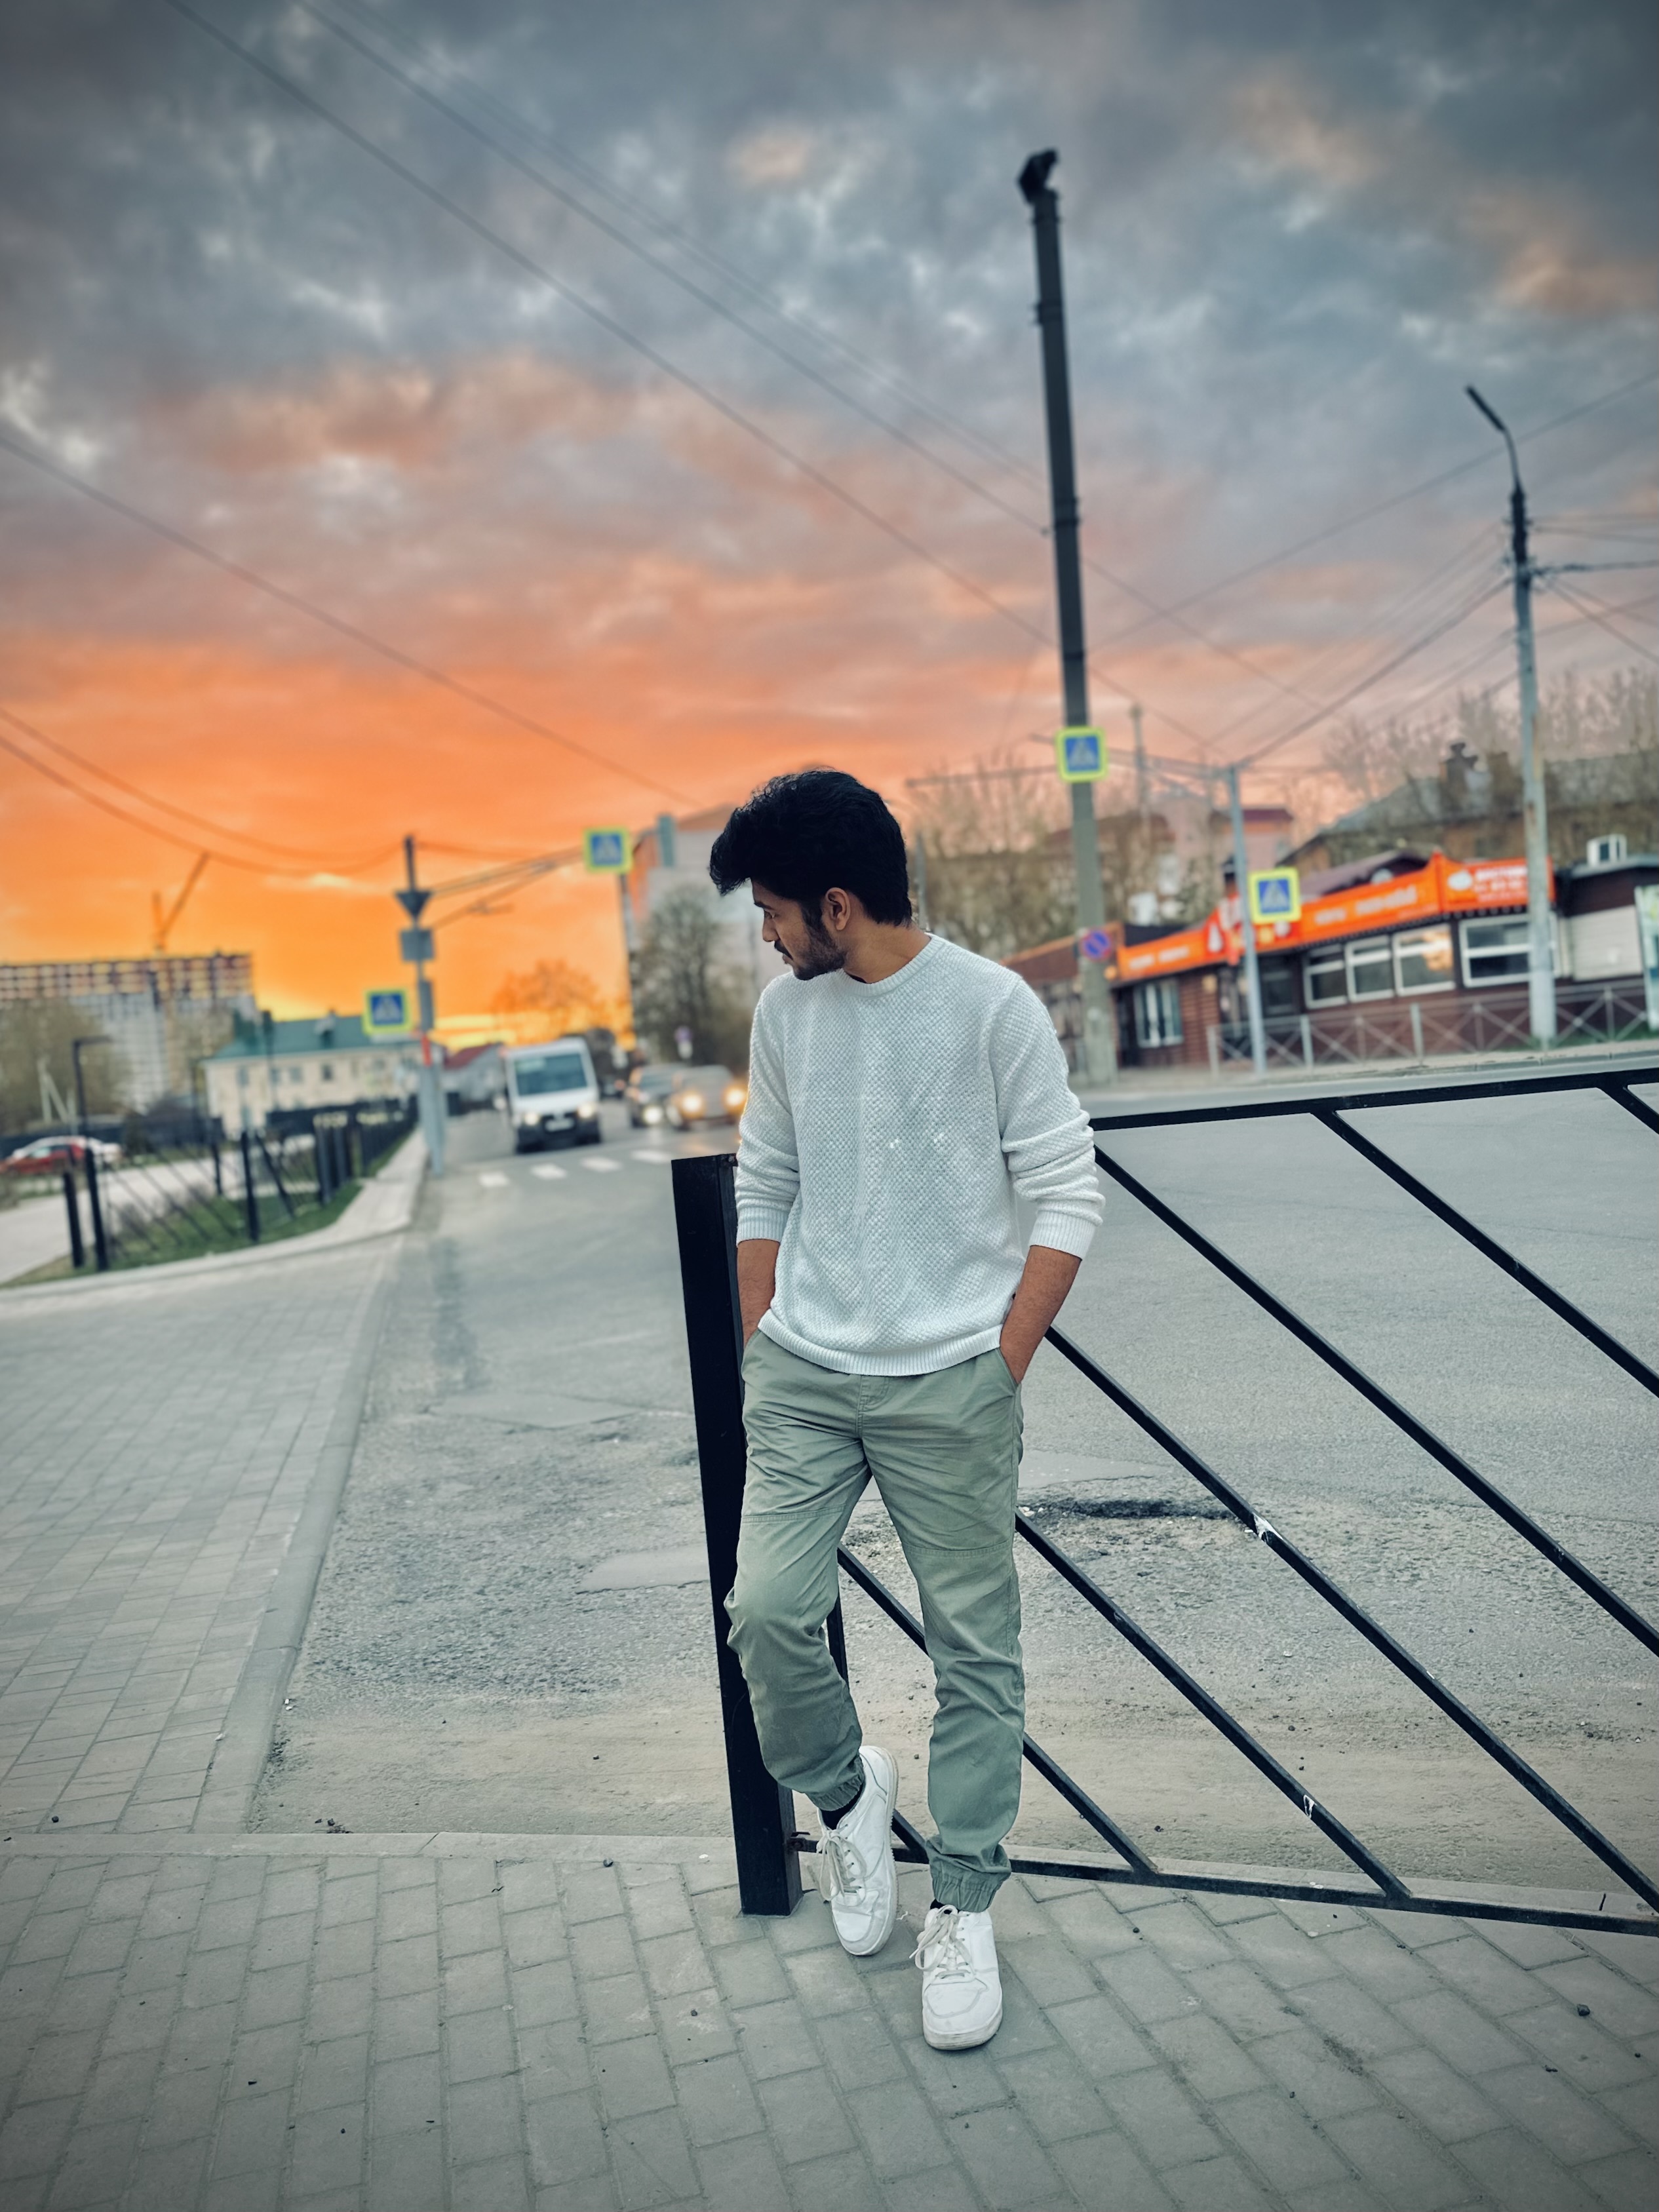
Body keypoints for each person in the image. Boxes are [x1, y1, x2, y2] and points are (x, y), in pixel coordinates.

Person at [709, 767, 1103, 2050]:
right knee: (768, 1612)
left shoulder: (990, 1007)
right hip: (806, 1374)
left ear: (837, 904)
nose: (768, 937)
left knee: (973, 1651)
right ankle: (847, 1798)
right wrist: (760, 1342)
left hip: (951, 1381)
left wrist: (1000, 1363)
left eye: (775, 913)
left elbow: (1069, 1190)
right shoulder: (787, 1013)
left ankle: (967, 1906)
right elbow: (765, 1177)